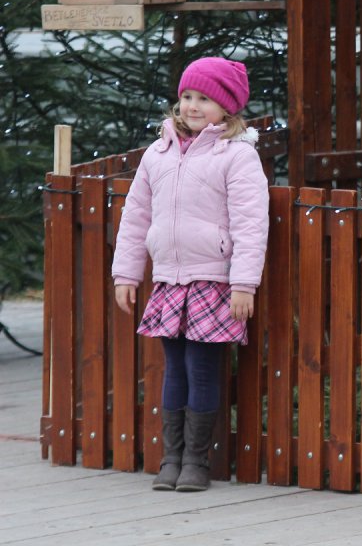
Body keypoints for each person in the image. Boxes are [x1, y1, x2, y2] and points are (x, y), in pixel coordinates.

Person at [111, 57, 269, 492]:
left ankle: (197, 462)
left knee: (201, 369)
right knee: (174, 369)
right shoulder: (158, 153)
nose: (192, 106)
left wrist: (243, 284)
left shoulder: (236, 155)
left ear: (227, 108)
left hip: (212, 281)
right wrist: (126, 275)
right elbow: (136, 216)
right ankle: (171, 459)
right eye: (186, 96)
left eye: (204, 99)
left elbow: (251, 223)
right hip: (168, 280)